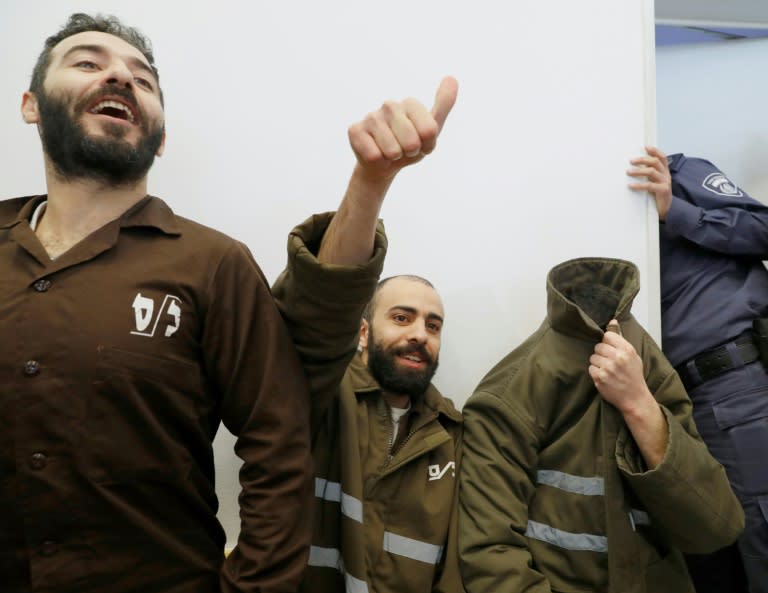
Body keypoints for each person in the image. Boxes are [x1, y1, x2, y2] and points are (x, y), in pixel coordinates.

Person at [0, 11, 457, 593]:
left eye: (142, 80)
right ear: (31, 104)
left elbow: (282, 438)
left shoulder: (211, 264)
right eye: (87, 62)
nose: (118, 78)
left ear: (160, 137)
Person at [458, 256, 744, 593]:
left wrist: (640, 406)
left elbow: (717, 528)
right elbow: (490, 553)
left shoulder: (651, 371)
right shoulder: (512, 393)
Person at [627, 147, 768, 593]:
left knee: (761, 534)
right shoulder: (592, 205)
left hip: (736, 383)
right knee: (709, 552)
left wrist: (677, 211)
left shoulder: (673, 169)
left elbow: (763, 229)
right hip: (669, 405)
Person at [291, 274, 463, 593]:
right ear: (363, 332)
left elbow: (454, 571)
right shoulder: (320, 397)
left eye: (433, 326)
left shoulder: (451, 436)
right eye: (402, 318)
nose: (420, 334)